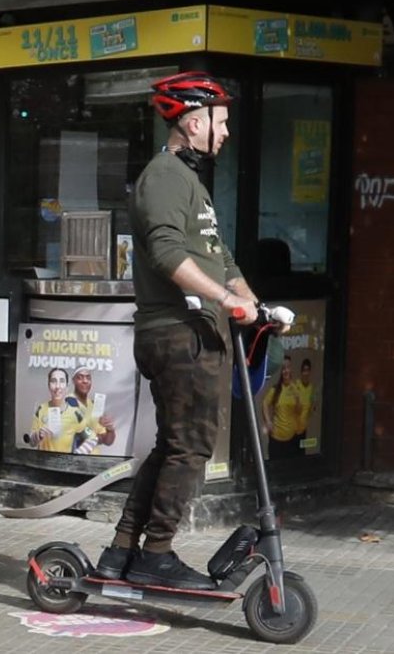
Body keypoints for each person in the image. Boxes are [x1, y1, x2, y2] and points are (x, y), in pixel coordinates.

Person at [92, 71, 259, 590]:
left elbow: (215, 254)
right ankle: (156, 554)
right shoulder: (165, 177)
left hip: (188, 331)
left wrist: (247, 294)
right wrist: (226, 299)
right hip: (179, 334)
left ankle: (121, 552)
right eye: (220, 122)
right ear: (192, 122)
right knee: (191, 448)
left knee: (172, 445)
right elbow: (168, 255)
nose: (226, 133)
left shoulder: (189, 182)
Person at [25, 367, 85, 453]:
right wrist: (38, 435)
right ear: (49, 386)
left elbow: (90, 433)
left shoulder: (76, 412)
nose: (57, 386)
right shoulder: (41, 409)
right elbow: (31, 442)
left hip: (66, 465)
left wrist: (79, 451)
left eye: (62, 381)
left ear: (67, 387)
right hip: (43, 463)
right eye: (53, 381)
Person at [68, 365, 116, 454]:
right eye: (80, 377)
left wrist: (110, 429)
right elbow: (71, 435)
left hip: (93, 462)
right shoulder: (66, 403)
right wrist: (96, 437)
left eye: (88, 378)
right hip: (72, 461)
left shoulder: (95, 405)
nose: (85, 381)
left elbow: (107, 441)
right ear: (73, 380)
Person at [262, 356, 302, 460]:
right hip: (276, 440)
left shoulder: (296, 388)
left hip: (291, 439)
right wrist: (268, 421)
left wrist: (297, 399)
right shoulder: (275, 389)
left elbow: (299, 411)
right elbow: (265, 403)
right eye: (283, 368)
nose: (286, 370)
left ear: (291, 368)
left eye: (288, 367)